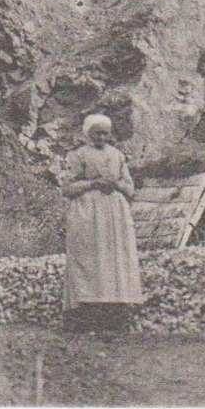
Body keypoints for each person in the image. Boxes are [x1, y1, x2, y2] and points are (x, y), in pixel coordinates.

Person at [61, 114, 144, 331]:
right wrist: (94, 183)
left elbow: (130, 187)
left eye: (105, 133)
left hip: (114, 213)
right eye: (97, 132)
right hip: (88, 211)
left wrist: (115, 184)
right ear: (88, 134)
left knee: (114, 255)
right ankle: (87, 309)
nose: (101, 137)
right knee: (90, 256)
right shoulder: (78, 155)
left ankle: (116, 307)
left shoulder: (117, 156)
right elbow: (68, 187)